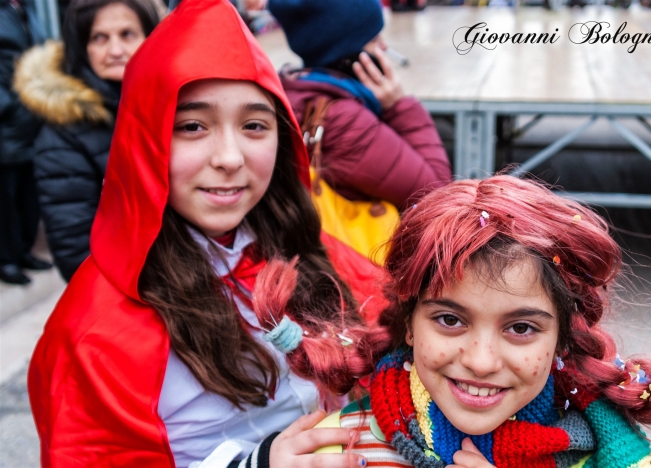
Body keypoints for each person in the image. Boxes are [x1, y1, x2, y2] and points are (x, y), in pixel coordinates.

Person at [28, 0, 388, 466]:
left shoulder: (313, 254)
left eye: (254, 125)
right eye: (193, 126)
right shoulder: (92, 333)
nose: (230, 157)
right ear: (144, 140)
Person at [311, 176, 651, 467]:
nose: (481, 362)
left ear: (563, 338)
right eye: (449, 319)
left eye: (521, 328)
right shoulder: (333, 451)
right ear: (409, 324)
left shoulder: (629, 456)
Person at [14, 0, 160, 282]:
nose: (116, 50)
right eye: (99, 38)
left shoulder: (178, 105)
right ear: (83, 48)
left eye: (127, 34)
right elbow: (76, 252)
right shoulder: (61, 135)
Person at [268, 0, 452, 211]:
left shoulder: (299, 87)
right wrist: (399, 106)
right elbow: (438, 196)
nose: (383, 47)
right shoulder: (344, 120)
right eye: (373, 39)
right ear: (347, 55)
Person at [0, 0, 51, 285]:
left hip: (31, 119)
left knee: (28, 195)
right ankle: (7, 259)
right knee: (5, 198)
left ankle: (23, 251)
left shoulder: (27, 8)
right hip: (8, 122)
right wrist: (7, 105)